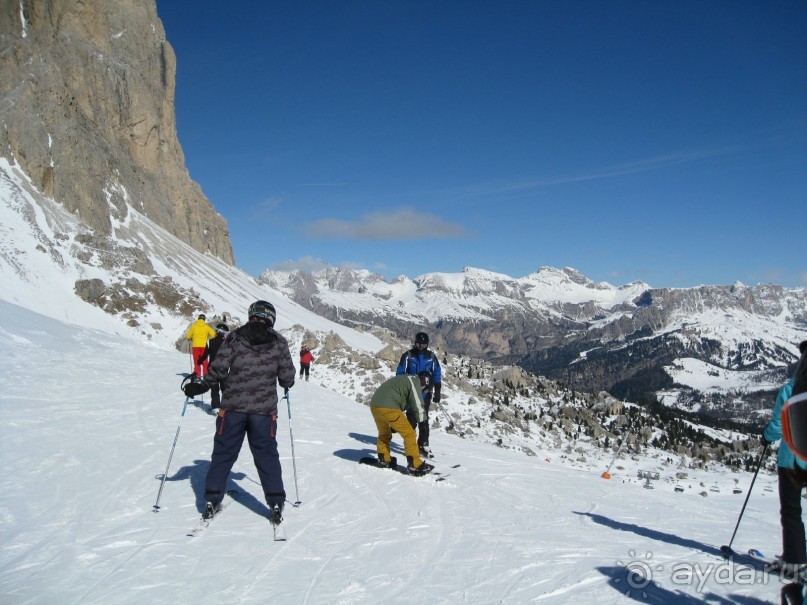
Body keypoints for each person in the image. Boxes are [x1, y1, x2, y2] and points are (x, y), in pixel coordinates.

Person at [188, 301, 296, 524]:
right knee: (266, 455)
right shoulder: (279, 342)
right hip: (264, 412)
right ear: (270, 318)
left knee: (223, 453)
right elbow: (287, 378)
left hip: (232, 408)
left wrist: (201, 385)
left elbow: (218, 367)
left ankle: (211, 499)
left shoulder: (235, 337)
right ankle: (275, 502)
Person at [763, 341, 807, 580]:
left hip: (792, 460)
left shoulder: (790, 389)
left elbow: (777, 426)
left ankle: (795, 561)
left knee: (791, 511)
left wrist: (765, 438)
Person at [369, 373, 435, 476]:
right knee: (410, 434)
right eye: (425, 389)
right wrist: (423, 424)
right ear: (425, 382)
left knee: (384, 434)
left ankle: (384, 459)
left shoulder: (406, 379)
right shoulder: (415, 382)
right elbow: (418, 404)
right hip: (389, 407)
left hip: (375, 405)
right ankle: (415, 465)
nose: (423, 391)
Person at [395, 331, 442, 457]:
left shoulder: (431, 357)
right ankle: (409, 443)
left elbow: (436, 372)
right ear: (415, 343)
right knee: (411, 419)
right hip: (411, 393)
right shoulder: (408, 356)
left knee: (423, 419)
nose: (420, 346)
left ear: (427, 344)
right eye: (418, 344)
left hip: (425, 393)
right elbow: (400, 373)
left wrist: (437, 389)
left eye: (423, 344)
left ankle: (423, 444)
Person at [199, 323, 229, 409]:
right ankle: (225, 407)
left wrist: (200, 360)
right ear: (224, 333)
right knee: (225, 389)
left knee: (214, 389)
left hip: (212, 369)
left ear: (216, 331)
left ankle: (216, 407)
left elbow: (205, 354)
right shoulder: (227, 343)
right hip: (223, 369)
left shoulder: (210, 341)